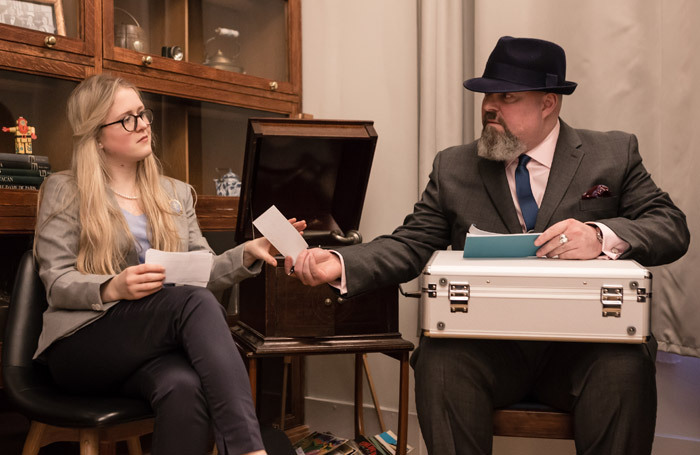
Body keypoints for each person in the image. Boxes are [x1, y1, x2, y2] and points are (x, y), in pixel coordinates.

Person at [285, 36, 690, 454]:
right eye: (486, 96)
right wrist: (339, 261)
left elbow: (670, 227)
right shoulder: (454, 165)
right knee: (439, 359)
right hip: (490, 351)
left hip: (582, 351)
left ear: (549, 103)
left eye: (507, 96)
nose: (489, 107)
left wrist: (602, 235)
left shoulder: (613, 154)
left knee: (626, 364)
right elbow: (412, 242)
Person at [33, 73, 305, 455]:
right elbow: (57, 281)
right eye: (128, 118)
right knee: (191, 303)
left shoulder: (176, 194)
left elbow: (202, 269)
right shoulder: (64, 191)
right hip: (83, 344)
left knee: (183, 386)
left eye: (143, 114)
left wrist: (245, 253)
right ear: (96, 134)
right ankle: (249, 449)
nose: (143, 124)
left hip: (154, 343)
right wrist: (114, 286)